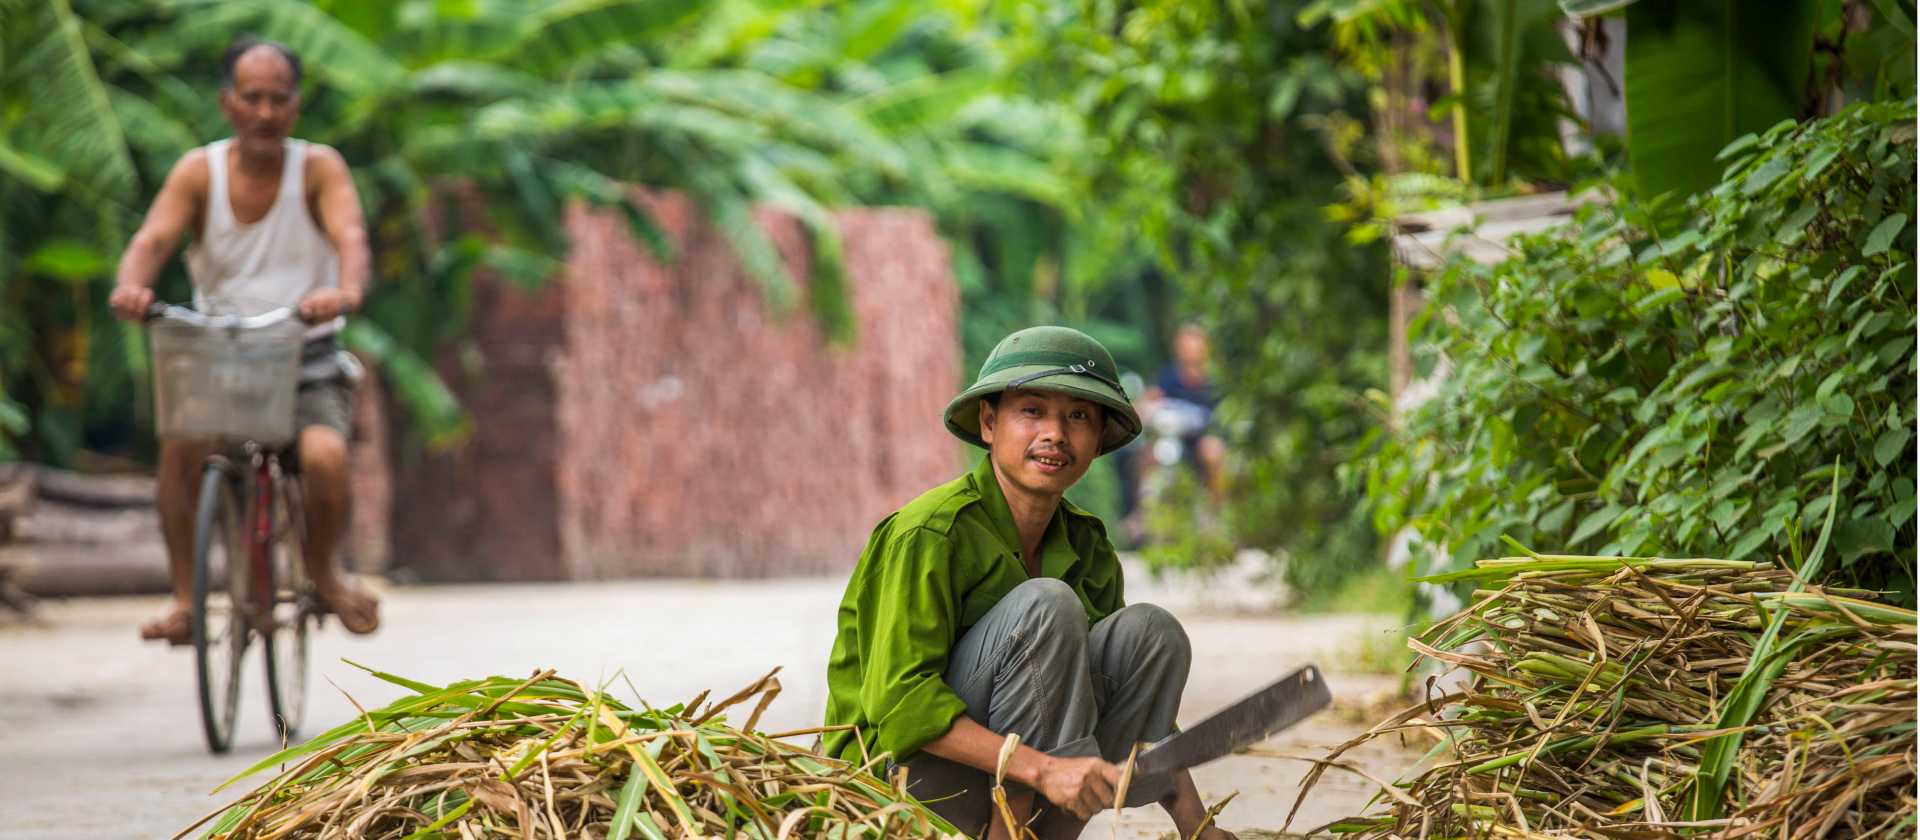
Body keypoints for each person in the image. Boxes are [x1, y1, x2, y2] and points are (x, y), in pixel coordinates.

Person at [822, 326, 1237, 840]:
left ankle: (1033, 831)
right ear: (990, 422)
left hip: (1038, 794)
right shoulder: (929, 533)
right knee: (1047, 606)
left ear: (1100, 437)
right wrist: (1043, 769)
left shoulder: (1088, 544)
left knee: (1152, 633)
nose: (1056, 435)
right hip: (900, 793)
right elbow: (902, 707)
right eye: (1032, 411)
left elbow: (1133, 702)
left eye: (1079, 416)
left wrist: (1196, 826)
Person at [108, 36, 380, 643]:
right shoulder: (197, 172)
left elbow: (351, 236)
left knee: (325, 457)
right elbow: (152, 240)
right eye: (251, 98)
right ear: (227, 102)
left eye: (277, 100)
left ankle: (324, 573)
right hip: (218, 351)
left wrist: (345, 291)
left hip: (303, 350)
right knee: (181, 448)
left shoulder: (318, 168)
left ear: (296, 105)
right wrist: (132, 287)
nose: (264, 112)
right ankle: (186, 598)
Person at [1140, 323, 1227, 501]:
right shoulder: (1168, 376)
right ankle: (1143, 512)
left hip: (1203, 439)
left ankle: (1216, 510)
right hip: (1172, 436)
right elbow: (1148, 400)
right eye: (1184, 345)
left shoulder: (1214, 381)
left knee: (1212, 451)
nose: (1189, 351)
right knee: (1148, 455)